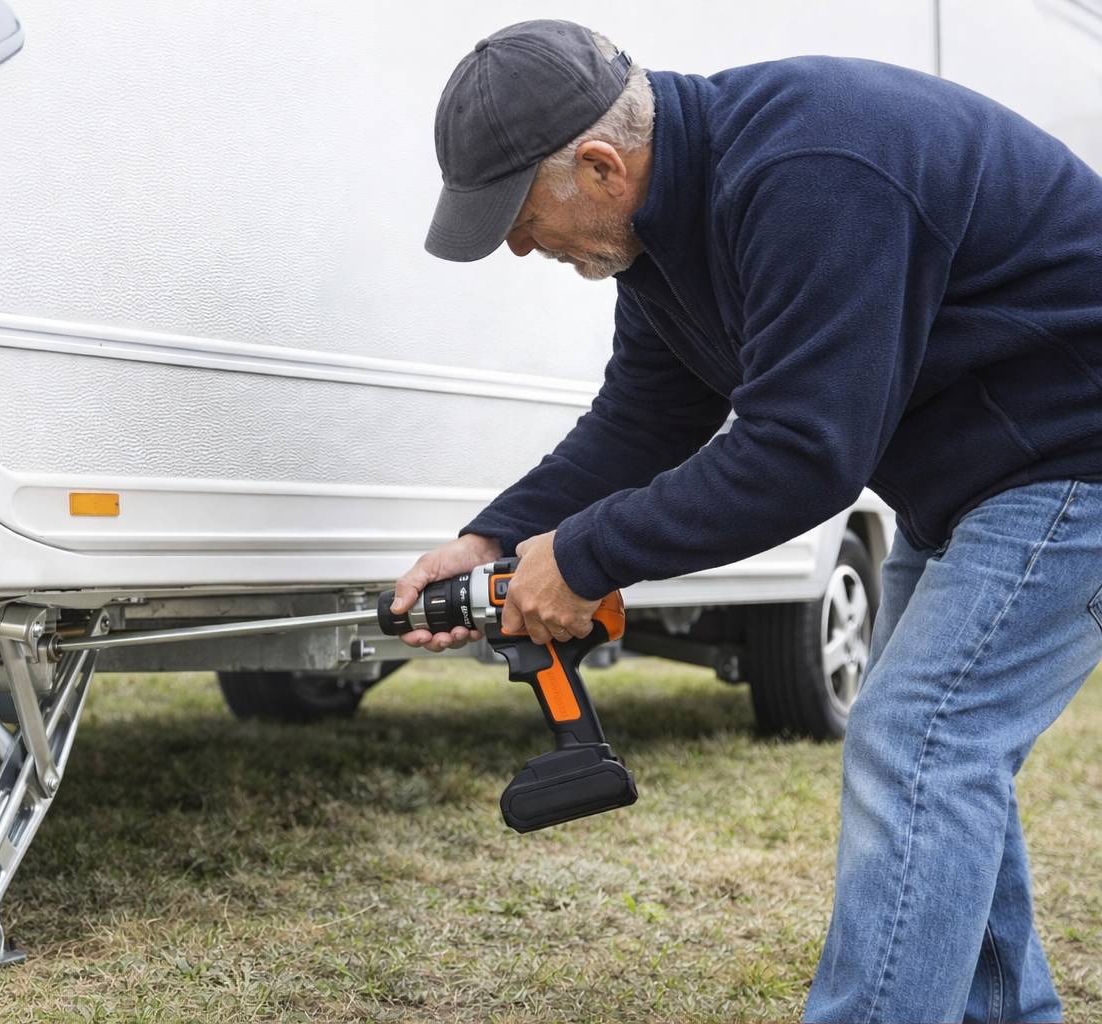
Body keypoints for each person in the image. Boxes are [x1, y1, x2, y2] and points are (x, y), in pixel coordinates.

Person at [390, 19, 1102, 1023]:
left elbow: (803, 455)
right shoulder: (663, 238)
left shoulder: (811, 169)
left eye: (516, 212)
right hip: (977, 487)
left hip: (1074, 462)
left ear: (599, 165)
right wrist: (492, 542)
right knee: (943, 755)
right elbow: (644, 418)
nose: (516, 243)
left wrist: (587, 557)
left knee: (920, 742)